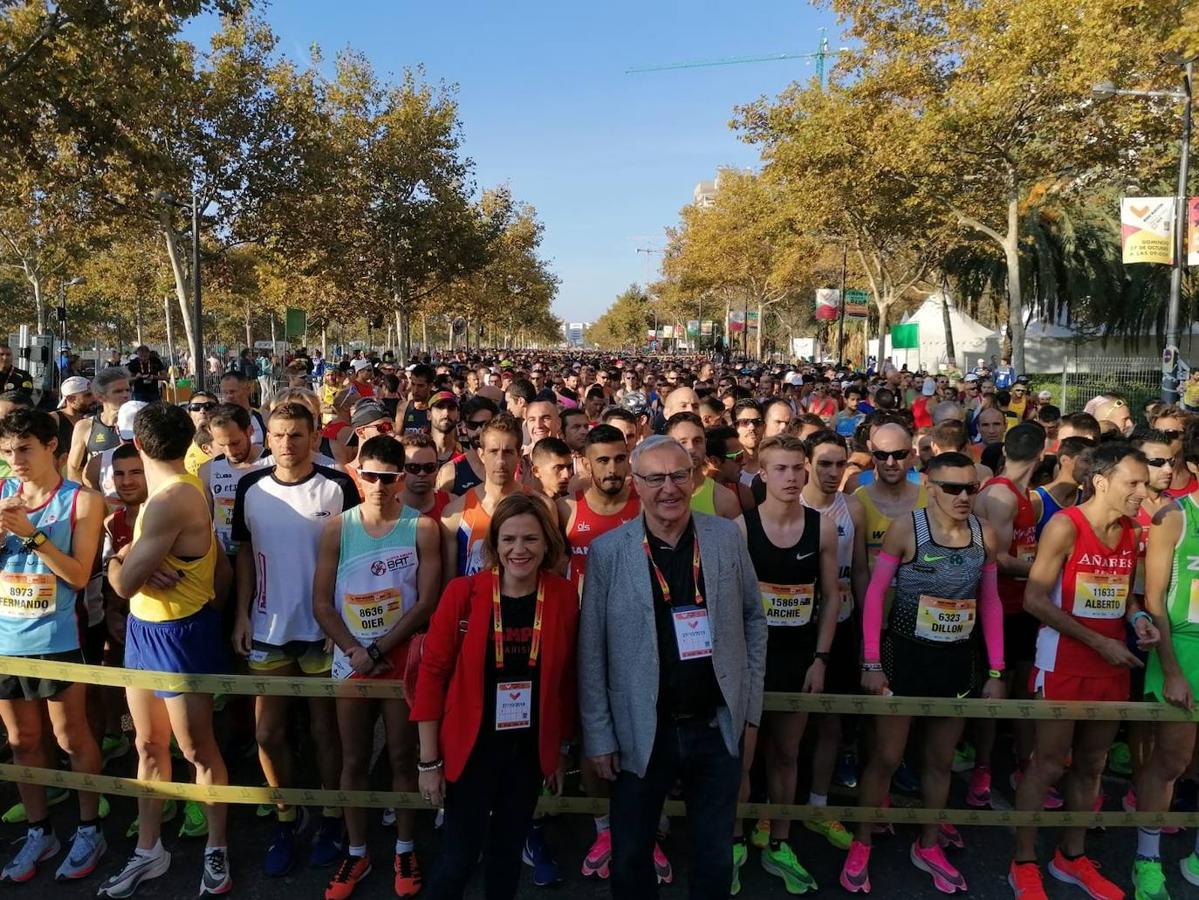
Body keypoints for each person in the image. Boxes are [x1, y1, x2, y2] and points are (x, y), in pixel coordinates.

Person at [579, 434, 767, 900]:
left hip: (714, 725)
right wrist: (599, 734)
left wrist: (748, 710)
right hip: (640, 730)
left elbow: (753, 620)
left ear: (695, 477)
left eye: (679, 475)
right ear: (636, 485)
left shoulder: (725, 537)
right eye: (655, 478)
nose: (669, 488)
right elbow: (592, 651)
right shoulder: (608, 552)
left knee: (713, 858)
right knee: (630, 857)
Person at [841, 452, 1004, 895]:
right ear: (929, 486)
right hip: (904, 658)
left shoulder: (983, 535)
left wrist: (996, 668)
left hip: (955, 662)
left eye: (971, 488)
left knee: (940, 760)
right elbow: (875, 595)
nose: (964, 496)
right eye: (953, 488)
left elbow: (991, 602)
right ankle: (862, 841)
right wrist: (871, 662)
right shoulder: (906, 529)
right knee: (887, 757)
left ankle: (928, 844)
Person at [1010, 442, 1159, 900]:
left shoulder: (1132, 531)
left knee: (1093, 765)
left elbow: (1124, 595)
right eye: (1133, 482)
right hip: (1063, 663)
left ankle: (1070, 857)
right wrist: (1098, 641)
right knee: (1048, 765)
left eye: (1144, 483)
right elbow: (1034, 599)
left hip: (1111, 664)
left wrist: (1137, 619)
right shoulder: (1064, 526)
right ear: (1101, 481)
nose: (1142, 491)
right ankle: (1023, 862)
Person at [412, 493, 579, 900]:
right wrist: (429, 761)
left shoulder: (561, 595)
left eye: (530, 540)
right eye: (508, 540)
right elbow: (431, 678)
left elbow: (564, 682)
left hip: (525, 753)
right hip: (471, 749)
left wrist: (557, 750)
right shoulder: (463, 594)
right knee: (458, 860)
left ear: (547, 544)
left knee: (506, 862)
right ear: (495, 545)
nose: (519, 550)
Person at [100, 403, 231, 897]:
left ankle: (216, 848)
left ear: (136, 443)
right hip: (146, 632)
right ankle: (149, 850)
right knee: (148, 746)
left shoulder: (170, 498)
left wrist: (123, 558)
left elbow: (124, 585)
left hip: (181, 635)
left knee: (197, 749)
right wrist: (137, 559)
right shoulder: (171, 490)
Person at [230, 402, 359, 876]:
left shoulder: (338, 486)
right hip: (267, 630)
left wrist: (339, 624)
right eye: (279, 435)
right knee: (268, 732)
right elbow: (244, 554)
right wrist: (241, 615)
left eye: (297, 436)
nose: (286, 444)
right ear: (269, 437)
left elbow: (351, 558)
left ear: (314, 436)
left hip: (321, 634)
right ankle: (285, 817)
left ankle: (330, 818)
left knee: (327, 732)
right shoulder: (250, 487)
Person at [312, 435, 440, 899]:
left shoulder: (422, 528)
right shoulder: (338, 529)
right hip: (352, 659)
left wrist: (381, 648)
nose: (379, 486)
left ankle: (405, 847)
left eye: (389, 477)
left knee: (404, 757)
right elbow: (321, 602)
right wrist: (355, 649)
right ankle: (358, 850)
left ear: (401, 478)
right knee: (353, 757)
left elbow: (427, 602)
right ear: (358, 475)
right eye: (370, 476)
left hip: (399, 658)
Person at [0, 409, 106, 885]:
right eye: (6, 452)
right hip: (6, 637)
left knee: (71, 739)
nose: (14, 460)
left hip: (59, 637)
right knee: (23, 743)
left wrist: (31, 534)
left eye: (24, 449)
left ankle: (89, 828)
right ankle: (39, 831)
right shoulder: (2, 494)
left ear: (51, 448)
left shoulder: (81, 500)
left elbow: (80, 575)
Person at [732, 435, 839, 895]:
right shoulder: (740, 527)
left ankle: (779, 842)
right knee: (742, 757)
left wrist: (821, 658)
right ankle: (734, 842)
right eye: (781, 469)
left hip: (799, 657)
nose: (793, 477)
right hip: (751, 660)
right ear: (763, 474)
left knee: (788, 752)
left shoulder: (823, 528)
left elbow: (833, 597)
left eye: (799, 468)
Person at [1137, 422, 1199, 895]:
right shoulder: (1174, 518)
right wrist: (1173, 670)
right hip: (1182, 648)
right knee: (1171, 762)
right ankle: (1147, 857)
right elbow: (1154, 599)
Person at [969, 423, 1045, 808]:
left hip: (1022, 605)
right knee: (994, 690)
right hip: (1000, 606)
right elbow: (996, 558)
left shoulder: (1021, 492)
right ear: (1043, 453)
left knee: (1024, 688)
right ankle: (983, 768)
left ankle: (1022, 766)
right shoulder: (1000, 495)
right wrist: (1046, 571)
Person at [799, 429, 868, 849]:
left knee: (830, 720)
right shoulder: (792, 503)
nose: (832, 472)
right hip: (795, 626)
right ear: (807, 463)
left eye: (839, 464)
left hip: (841, 623)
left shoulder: (853, 508)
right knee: (783, 724)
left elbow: (859, 570)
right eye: (823, 463)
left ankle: (819, 805)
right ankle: (775, 808)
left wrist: (865, 631)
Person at [441, 415, 540, 584]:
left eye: (508, 452)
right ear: (481, 454)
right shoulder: (454, 514)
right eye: (493, 452)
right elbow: (449, 584)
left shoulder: (542, 507)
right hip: (474, 606)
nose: (500, 461)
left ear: (520, 454)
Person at [197, 404, 266, 558]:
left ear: (250, 431)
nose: (230, 451)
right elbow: (205, 520)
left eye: (235, 443)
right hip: (225, 556)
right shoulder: (208, 469)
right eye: (222, 445)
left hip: (263, 554)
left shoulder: (273, 463)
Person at [663, 412, 740, 519]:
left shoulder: (724, 499)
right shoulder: (656, 497)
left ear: (705, 443)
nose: (691, 449)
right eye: (682, 442)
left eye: (697, 441)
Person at [67, 367, 130, 484]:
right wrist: (89, 497)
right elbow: (72, 469)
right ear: (100, 397)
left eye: (127, 390)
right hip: (99, 495)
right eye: (118, 391)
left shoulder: (139, 424)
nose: (125, 395)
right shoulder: (85, 426)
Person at [435, 396, 497, 496]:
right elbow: (441, 508)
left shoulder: (513, 465)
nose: (479, 430)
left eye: (485, 424)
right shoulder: (451, 471)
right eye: (472, 425)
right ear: (464, 427)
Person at [398, 433, 451, 521]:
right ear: (400, 469)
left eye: (429, 467)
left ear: (437, 468)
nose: (422, 473)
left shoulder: (452, 504)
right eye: (413, 467)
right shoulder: (387, 506)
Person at [218, 371, 267, 446]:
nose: (228, 396)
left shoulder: (262, 418)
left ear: (248, 389)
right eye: (224, 392)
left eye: (232, 392)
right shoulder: (217, 420)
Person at [397, 364, 434, 434]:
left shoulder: (437, 408)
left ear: (430, 386)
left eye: (420, 386)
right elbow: (397, 437)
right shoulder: (403, 408)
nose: (415, 390)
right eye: (413, 384)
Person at [428, 390, 462, 466]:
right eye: (440, 407)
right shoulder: (417, 454)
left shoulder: (466, 457)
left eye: (451, 408)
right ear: (429, 415)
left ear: (458, 416)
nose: (446, 413)